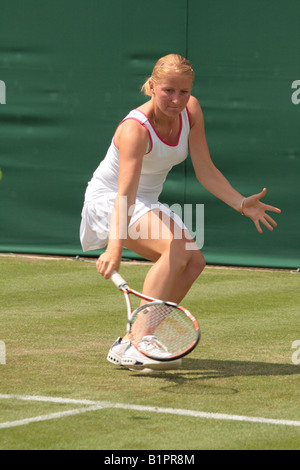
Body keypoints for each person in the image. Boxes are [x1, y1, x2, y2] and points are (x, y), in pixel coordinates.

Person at [80, 54, 281, 371]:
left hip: (144, 201)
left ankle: (134, 341)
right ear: (153, 86)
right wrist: (114, 247)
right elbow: (125, 194)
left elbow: (205, 170)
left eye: (183, 92)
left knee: (193, 260)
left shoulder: (192, 111)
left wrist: (240, 202)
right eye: (168, 91)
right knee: (175, 247)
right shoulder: (136, 129)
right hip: (111, 201)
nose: (176, 100)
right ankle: (138, 341)